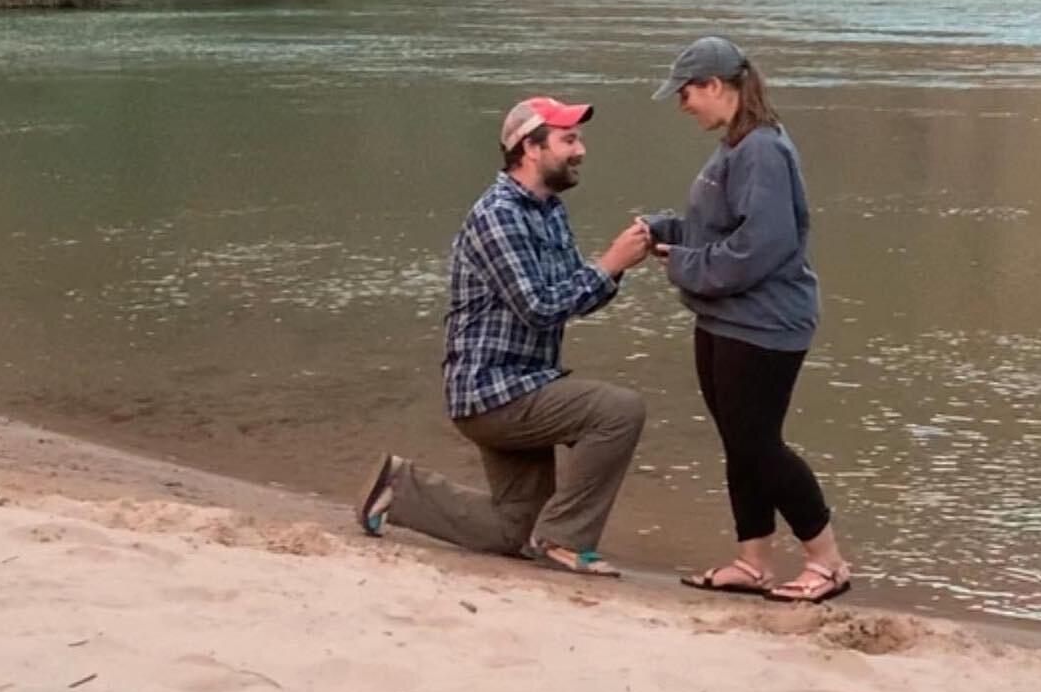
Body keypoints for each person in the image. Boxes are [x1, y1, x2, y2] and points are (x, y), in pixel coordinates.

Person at [357, 95, 651, 578]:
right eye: (569, 139)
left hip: (526, 383)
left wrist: (621, 265)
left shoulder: (547, 211)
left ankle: (397, 487)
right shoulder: (498, 215)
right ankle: (564, 541)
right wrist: (608, 264)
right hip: (493, 392)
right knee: (619, 411)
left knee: (511, 530)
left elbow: (571, 297)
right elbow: (539, 308)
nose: (581, 150)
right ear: (531, 149)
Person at [641, 37, 850, 603]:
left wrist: (684, 263)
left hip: (764, 325)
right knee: (740, 443)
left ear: (715, 86)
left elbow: (763, 245)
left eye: (685, 93)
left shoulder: (761, 149)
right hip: (724, 319)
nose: (683, 104)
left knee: (759, 445)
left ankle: (827, 562)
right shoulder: (735, 145)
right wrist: (666, 231)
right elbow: (723, 231)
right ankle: (754, 561)